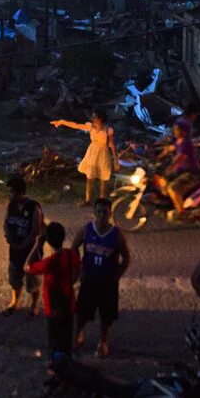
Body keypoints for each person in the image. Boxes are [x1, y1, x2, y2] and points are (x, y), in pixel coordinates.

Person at [71, 198, 130, 358]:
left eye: (105, 211)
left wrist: (116, 276)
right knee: (82, 311)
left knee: (106, 314)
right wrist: (79, 269)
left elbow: (126, 258)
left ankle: (103, 341)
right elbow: (74, 246)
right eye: (99, 211)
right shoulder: (87, 229)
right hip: (89, 279)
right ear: (94, 213)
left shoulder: (117, 234)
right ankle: (79, 334)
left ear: (110, 213)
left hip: (107, 282)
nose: (102, 214)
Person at [25, 222, 81, 366]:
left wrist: (37, 245)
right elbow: (76, 275)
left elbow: (27, 266)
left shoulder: (49, 262)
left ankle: (56, 366)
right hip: (69, 304)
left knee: (55, 340)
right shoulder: (71, 254)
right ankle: (68, 363)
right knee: (67, 338)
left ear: (47, 241)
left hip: (53, 307)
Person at [51, 111, 116, 205]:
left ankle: (102, 202)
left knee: (103, 179)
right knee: (90, 178)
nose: (93, 119)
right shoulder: (90, 127)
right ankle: (88, 200)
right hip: (92, 153)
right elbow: (75, 125)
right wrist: (62, 122)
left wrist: (115, 159)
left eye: (95, 117)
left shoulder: (107, 130)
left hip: (103, 154)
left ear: (100, 119)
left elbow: (111, 144)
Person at [2, 174, 44, 317]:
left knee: (32, 279)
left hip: (31, 250)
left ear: (20, 192)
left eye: (11, 192)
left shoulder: (33, 207)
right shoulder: (11, 205)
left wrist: (25, 244)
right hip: (14, 248)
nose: (9, 195)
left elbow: (36, 230)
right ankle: (15, 302)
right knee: (15, 277)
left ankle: (34, 305)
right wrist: (8, 236)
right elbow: (6, 222)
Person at [163, 116, 200, 217]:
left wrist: (170, 168)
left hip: (191, 173)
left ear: (184, 132)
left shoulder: (186, 143)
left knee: (172, 188)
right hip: (182, 171)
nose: (175, 132)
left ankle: (182, 213)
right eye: (174, 129)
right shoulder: (179, 141)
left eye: (177, 130)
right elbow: (171, 148)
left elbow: (179, 157)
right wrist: (159, 156)